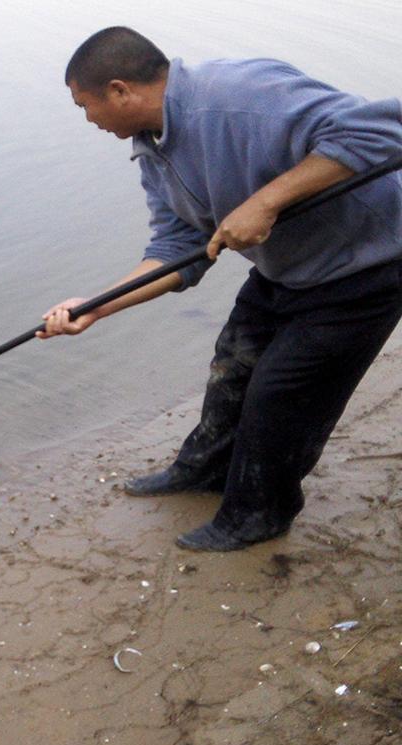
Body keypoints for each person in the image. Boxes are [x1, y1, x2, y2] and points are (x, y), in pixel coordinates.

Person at [40, 27, 402, 551]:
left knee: (281, 396)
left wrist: (266, 201)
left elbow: (385, 130)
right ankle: (206, 471)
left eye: (85, 106)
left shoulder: (242, 95)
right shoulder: (153, 150)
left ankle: (260, 514)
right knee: (232, 367)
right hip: (286, 268)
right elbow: (177, 249)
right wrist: (95, 307)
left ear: (119, 90)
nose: (88, 119)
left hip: (369, 264)